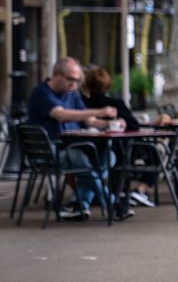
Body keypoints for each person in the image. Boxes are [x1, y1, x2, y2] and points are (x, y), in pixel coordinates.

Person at [26, 57, 122, 220]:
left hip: (74, 147)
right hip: (49, 151)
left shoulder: (73, 94)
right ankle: (112, 204)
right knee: (80, 159)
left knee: (108, 156)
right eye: (71, 79)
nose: (74, 84)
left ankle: (79, 205)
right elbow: (61, 115)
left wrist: (110, 123)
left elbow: (89, 121)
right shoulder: (41, 93)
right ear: (57, 74)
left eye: (77, 81)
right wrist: (97, 111)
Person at [82, 67, 156, 208]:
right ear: (108, 85)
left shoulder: (82, 104)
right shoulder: (115, 105)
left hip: (89, 147)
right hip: (120, 150)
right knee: (153, 153)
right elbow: (134, 126)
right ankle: (140, 190)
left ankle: (101, 193)